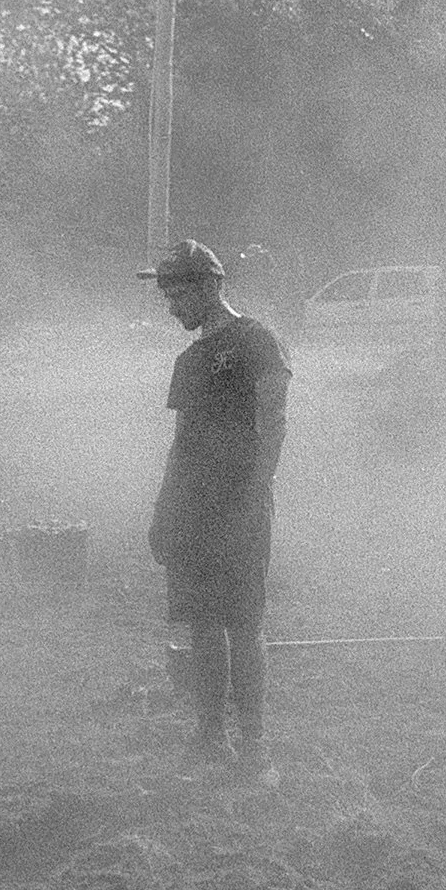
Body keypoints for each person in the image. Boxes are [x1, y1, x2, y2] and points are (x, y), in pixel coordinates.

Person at [139, 240, 291, 784]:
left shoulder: (256, 341)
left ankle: (254, 746)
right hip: (191, 511)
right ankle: (210, 739)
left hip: (241, 507)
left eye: (177, 294)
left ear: (209, 286)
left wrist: (253, 495)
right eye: (166, 298)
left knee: (244, 625)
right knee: (202, 625)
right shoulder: (189, 361)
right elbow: (181, 443)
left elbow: (272, 421)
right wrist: (163, 511)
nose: (172, 308)